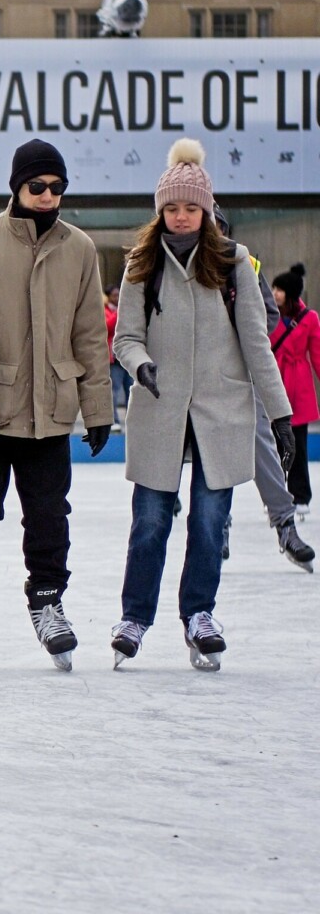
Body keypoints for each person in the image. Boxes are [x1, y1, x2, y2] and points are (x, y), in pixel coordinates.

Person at [111, 138, 294, 672]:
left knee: (211, 523)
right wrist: (140, 363)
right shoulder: (141, 264)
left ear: (208, 211)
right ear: (160, 211)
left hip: (221, 411)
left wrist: (280, 414)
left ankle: (199, 614)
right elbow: (125, 337)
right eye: (172, 208)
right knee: (149, 522)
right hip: (161, 407)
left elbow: (256, 343)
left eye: (191, 208)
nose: (182, 217)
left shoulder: (234, 262)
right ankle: (134, 617)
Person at [0, 138, 112, 672]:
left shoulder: (79, 248)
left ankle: (48, 603)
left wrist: (99, 408)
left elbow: (88, 334)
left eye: (56, 188)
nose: (46, 195)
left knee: (48, 515)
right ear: (16, 186)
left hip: (51, 411)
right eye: (37, 186)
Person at [211, 205, 313, 570]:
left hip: (239, 371)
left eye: (217, 224)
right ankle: (216, 526)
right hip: (192, 379)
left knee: (261, 443)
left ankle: (284, 523)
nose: (212, 231)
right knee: (208, 457)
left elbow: (269, 316)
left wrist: (238, 333)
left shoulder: (245, 264)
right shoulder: (175, 265)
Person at [270, 263, 320, 521]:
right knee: (275, 446)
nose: (275, 292)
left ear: (290, 292)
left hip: (298, 386)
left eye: (279, 289)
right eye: (274, 288)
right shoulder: (268, 314)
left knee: (297, 445)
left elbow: (318, 354)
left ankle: (300, 496)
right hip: (274, 383)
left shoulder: (309, 318)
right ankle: (276, 497)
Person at [104, 284, 132, 428]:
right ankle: (114, 420)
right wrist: (119, 312)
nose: (117, 298)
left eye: (119, 295)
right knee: (114, 389)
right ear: (108, 297)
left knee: (131, 389)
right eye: (115, 295)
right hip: (113, 358)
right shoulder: (105, 310)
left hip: (126, 356)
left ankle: (131, 419)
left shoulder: (126, 310)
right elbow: (107, 326)